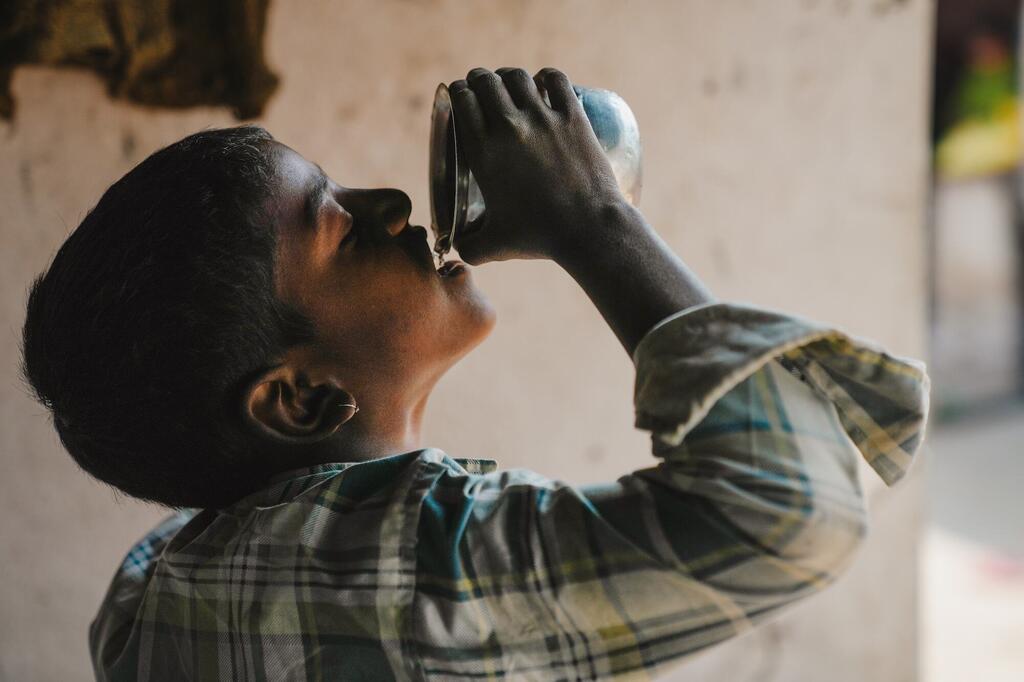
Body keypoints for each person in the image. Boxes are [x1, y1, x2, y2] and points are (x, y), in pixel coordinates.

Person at [21, 67, 929, 681]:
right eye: (336, 225)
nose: (392, 205)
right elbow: (784, 515)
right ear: (301, 399)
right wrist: (593, 220)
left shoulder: (150, 588)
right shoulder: (416, 571)